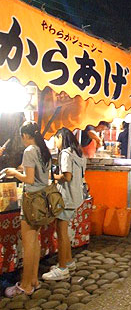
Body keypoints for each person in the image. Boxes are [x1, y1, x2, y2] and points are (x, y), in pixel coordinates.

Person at [5, 122, 52, 296]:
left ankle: (25, 285)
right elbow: (40, 176)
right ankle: (34, 280)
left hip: (31, 200)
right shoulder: (43, 149)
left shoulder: (29, 150)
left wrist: (14, 172)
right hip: (42, 199)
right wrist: (23, 170)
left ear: (25, 135)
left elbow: (30, 179)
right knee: (35, 241)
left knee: (28, 243)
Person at [42, 127, 86, 281]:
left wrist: (53, 176)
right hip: (75, 196)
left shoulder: (66, 154)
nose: (55, 141)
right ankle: (68, 261)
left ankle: (62, 268)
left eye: (56, 138)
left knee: (61, 232)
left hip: (66, 197)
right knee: (64, 231)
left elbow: (67, 176)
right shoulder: (78, 154)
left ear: (61, 137)